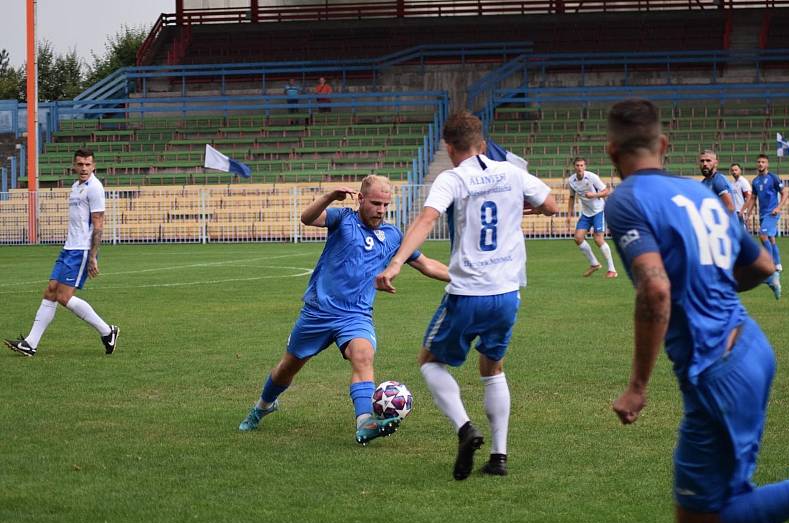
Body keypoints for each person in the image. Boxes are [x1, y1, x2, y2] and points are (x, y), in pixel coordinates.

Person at [605, 99, 789, 523]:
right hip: (750, 346)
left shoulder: (627, 200)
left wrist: (637, 386)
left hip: (716, 367)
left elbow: (656, 291)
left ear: (612, 152)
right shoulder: (699, 193)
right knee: (730, 503)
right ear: (665, 144)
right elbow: (763, 266)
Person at [375, 112, 557, 480]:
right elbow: (552, 205)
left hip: (467, 292)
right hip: (507, 292)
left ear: (448, 146)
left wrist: (396, 263)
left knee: (429, 360)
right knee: (492, 368)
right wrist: (523, 206)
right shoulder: (510, 172)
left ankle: (464, 427)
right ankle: (499, 456)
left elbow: (426, 219)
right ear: (483, 143)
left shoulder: (452, 178)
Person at [238, 175, 450, 445]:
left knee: (362, 355)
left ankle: (365, 422)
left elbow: (426, 264)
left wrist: (465, 278)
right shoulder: (343, 219)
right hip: (318, 312)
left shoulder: (393, 236)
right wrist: (328, 197)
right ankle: (263, 406)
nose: (381, 210)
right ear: (361, 199)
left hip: (355, 315)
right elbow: (307, 218)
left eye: (386, 205)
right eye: (375, 203)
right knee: (287, 368)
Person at [4, 148, 119, 357]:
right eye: (80, 164)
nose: (83, 168)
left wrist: (93, 256)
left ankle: (107, 331)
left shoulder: (95, 188)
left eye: (87, 164)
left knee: (63, 297)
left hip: (82, 250)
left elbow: (99, 223)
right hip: (69, 248)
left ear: (94, 166)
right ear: (74, 166)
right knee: (50, 290)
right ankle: (31, 343)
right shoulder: (76, 187)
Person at [565, 157, 617, 278]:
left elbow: (606, 191)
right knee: (578, 238)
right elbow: (572, 197)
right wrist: (569, 215)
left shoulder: (592, 177)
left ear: (585, 166)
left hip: (599, 210)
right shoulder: (571, 180)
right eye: (577, 165)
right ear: (574, 167)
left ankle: (612, 269)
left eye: (582, 165)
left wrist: (594, 194)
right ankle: (594, 264)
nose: (579, 168)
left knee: (598, 239)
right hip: (586, 213)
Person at [742, 153, 789, 275]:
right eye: (758, 162)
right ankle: (778, 264)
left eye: (763, 162)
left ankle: (769, 265)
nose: (760, 164)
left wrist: (778, 208)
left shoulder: (773, 177)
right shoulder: (756, 181)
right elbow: (753, 198)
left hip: (772, 213)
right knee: (771, 239)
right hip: (763, 214)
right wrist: (748, 214)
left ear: (767, 164)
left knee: (762, 235)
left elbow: (785, 193)